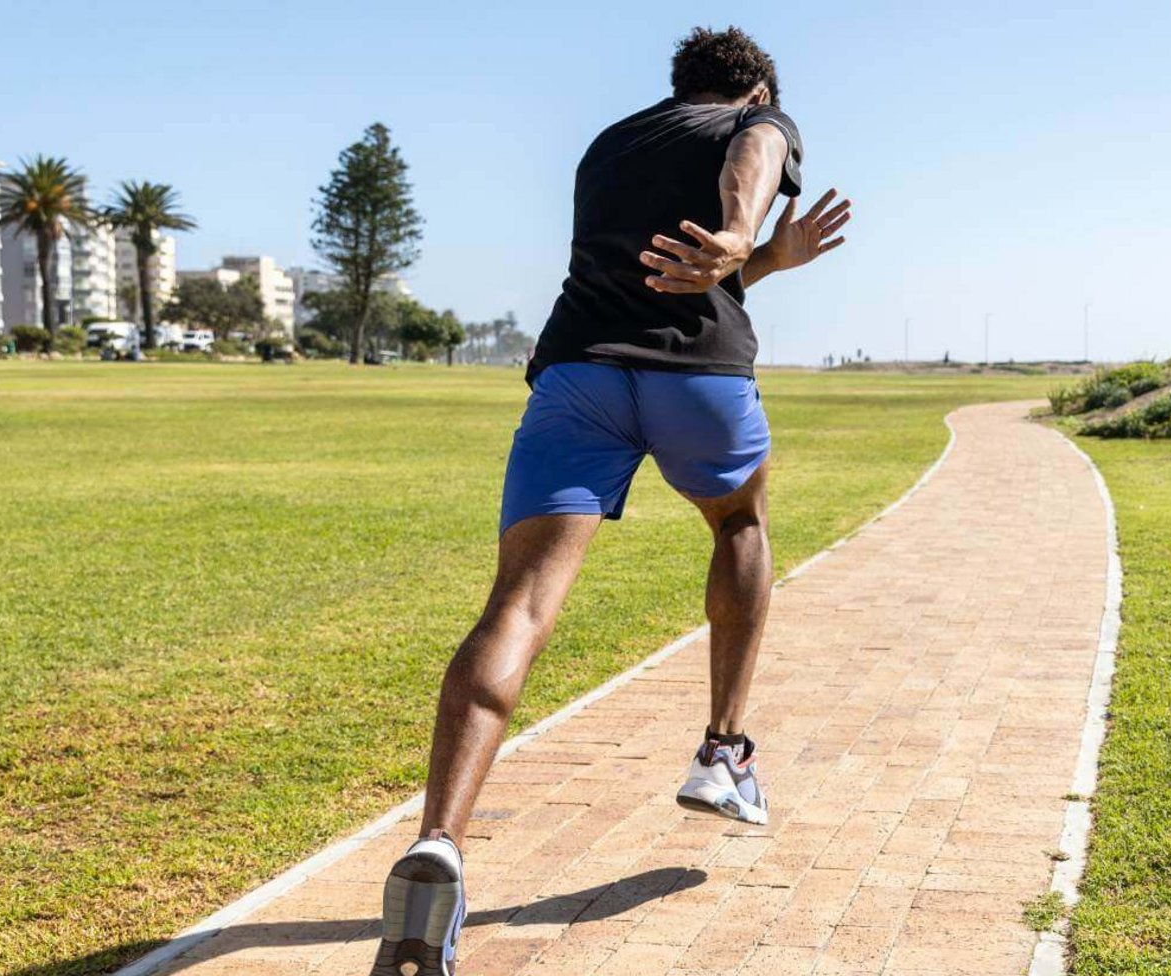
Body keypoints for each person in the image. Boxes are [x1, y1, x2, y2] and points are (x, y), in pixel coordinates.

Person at [372, 27, 851, 976]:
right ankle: (723, 753)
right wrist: (744, 233)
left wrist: (757, 259)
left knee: (517, 607)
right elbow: (755, 159)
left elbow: (662, 274)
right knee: (740, 523)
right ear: (756, 90)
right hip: (696, 377)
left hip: (578, 374)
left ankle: (439, 843)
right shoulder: (757, 120)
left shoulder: (612, 142)